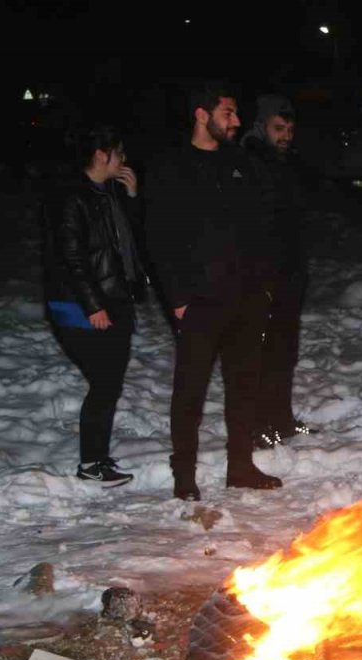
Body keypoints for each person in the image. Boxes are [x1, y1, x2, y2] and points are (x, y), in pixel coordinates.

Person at [147, 82, 282, 499]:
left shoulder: (239, 164)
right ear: (202, 115)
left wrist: (264, 287)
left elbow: (262, 227)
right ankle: (184, 475)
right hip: (200, 301)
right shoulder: (171, 168)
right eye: (228, 113)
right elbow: (159, 237)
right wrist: (179, 299)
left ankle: (240, 466)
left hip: (246, 298)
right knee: (190, 390)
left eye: (236, 113)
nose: (237, 121)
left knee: (244, 386)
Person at [41, 124, 145, 487]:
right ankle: (91, 464)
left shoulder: (109, 194)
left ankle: (97, 457)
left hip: (113, 300)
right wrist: (92, 306)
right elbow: (71, 259)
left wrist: (132, 196)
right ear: (101, 155)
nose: (124, 159)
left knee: (109, 382)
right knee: (105, 383)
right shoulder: (74, 198)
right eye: (119, 152)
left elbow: (129, 243)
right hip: (83, 308)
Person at [240, 94, 315, 448]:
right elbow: (253, 223)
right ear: (262, 126)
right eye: (278, 128)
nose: (286, 135)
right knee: (262, 350)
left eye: (290, 129)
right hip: (263, 272)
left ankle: (280, 418)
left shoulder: (286, 162)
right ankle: (257, 425)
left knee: (285, 348)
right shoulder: (251, 160)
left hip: (290, 270)